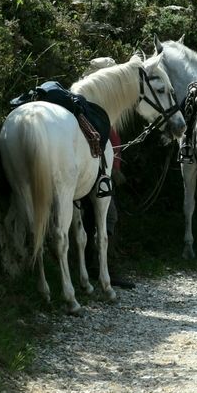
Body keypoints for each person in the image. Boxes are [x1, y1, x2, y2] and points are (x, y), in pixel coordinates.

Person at [81, 57, 134, 289]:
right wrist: (112, 169)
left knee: (97, 218)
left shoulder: (92, 104)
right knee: (107, 217)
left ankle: (96, 267)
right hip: (99, 172)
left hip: (101, 171)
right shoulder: (94, 105)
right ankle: (103, 269)